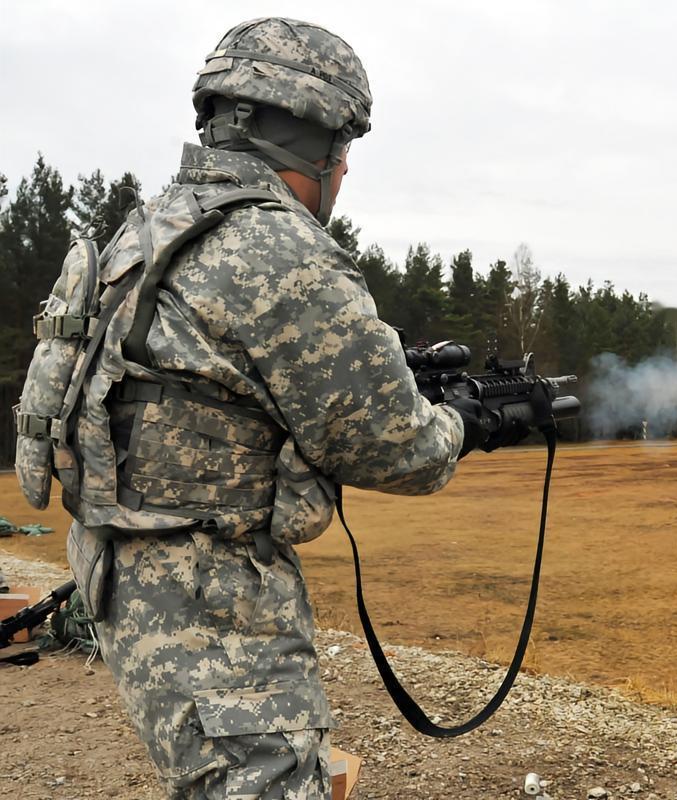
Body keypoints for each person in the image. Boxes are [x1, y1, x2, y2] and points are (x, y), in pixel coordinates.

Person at [62, 17, 487, 798]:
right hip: (209, 600)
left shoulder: (149, 230)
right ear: (310, 140)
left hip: (128, 574)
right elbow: (401, 449)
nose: (346, 171)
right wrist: (467, 421)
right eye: (345, 150)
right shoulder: (276, 246)